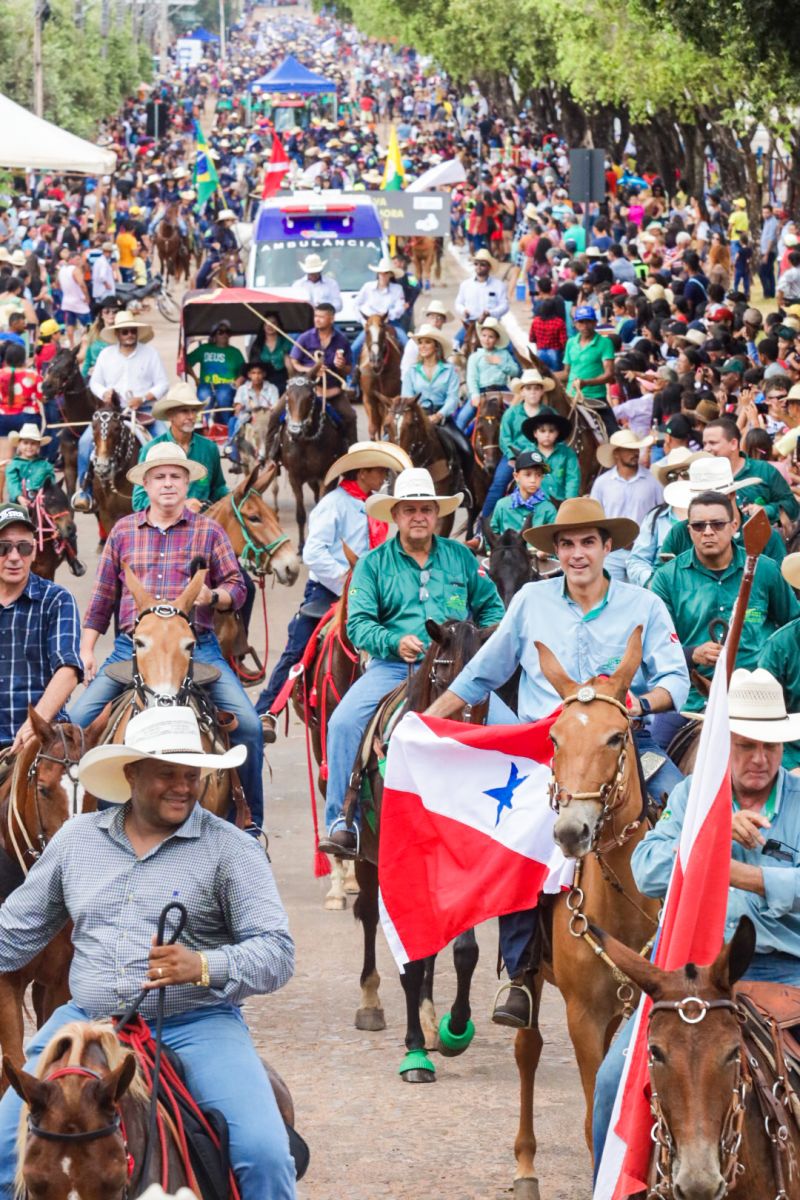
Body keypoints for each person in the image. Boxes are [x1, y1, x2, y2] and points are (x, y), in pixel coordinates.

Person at [0, 704, 296, 1200]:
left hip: (198, 1023)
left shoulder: (231, 850)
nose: (184, 785)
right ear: (131, 773)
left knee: (264, 1154)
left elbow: (278, 953)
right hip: (85, 1021)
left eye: (192, 773)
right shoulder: (76, 841)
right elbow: (13, 932)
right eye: (167, 774)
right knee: (4, 1146)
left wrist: (203, 965)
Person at [424, 496, 690, 1026]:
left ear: (606, 547)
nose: (576, 554)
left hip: (624, 741)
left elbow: (675, 681)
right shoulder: (529, 601)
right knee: (519, 834)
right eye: (566, 544)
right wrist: (429, 718)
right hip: (545, 749)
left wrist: (636, 704)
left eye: (587, 542)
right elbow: (482, 673)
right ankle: (520, 973)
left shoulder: (644, 605)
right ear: (555, 552)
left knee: (686, 811)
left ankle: (689, 950)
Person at [593, 668, 800, 1170]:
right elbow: (647, 868)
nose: (760, 758)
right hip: (693, 974)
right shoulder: (693, 798)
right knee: (611, 1084)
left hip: (785, 971)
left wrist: (744, 876)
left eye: (770, 746)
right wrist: (712, 836)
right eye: (747, 745)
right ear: (725, 742)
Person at [69, 442, 266, 833]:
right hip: (133, 648)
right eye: (160, 476)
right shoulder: (124, 531)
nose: (168, 483)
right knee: (77, 722)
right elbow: (102, 596)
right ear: (146, 483)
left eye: (176, 476)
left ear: (188, 483)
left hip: (196, 648)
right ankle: (82, 824)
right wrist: (88, 649)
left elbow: (237, 585)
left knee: (248, 725)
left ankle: (249, 822)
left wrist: (215, 596)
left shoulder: (208, 530)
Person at [319, 467, 505, 856]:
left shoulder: (461, 558)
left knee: (515, 727)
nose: (418, 516)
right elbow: (358, 624)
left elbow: (492, 609)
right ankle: (342, 818)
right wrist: (392, 640)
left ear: (436, 515)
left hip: (458, 671)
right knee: (343, 722)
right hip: (393, 668)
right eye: (410, 509)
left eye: (426, 509)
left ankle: (519, 815)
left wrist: (478, 644)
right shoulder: (373, 564)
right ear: (396, 515)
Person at [255, 441, 412, 741]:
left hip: (375, 589)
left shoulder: (376, 504)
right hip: (330, 589)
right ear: (363, 472)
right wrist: (347, 582)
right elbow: (314, 552)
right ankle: (268, 709)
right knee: (300, 642)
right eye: (380, 471)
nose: (384, 477)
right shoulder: (334, 503)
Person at [650, 488, 798, 736]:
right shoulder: (666, 578)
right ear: (689, 531)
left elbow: (793, 629)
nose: (707, 532)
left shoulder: (766, 570)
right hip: (693, 699)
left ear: (734, 526)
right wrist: (692, 653)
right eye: (698, 526)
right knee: (650, 764)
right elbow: (655, 646)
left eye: (717, 524)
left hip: (760, 700)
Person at [0, 503, 82, 754]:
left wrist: (34, 724)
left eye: (23, 547)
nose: (15, 557)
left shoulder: (57, 599)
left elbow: (68, 670)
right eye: (3, 548)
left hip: (43, 738)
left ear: (34, 551)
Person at [74, 311, 169, 512]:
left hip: (142, 410)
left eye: (132, 331)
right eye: (124, 331)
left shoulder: (150, 353)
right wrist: (104, 393)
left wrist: (143, 398)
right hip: (112, 411)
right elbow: (94, 382)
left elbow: (163, 384)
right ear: (117, 334)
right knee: (84, 443)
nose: (129, 334)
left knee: (165, 441)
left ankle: (168, 490)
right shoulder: (105, 355)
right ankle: (85, 490)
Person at [659, 456, 787, 565]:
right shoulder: (679, 533)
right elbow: (660, 579)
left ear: (731, 495)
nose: (707, 508)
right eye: (699, 502)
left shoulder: (765, 535)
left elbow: (781, 587)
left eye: (713, 502)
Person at [267, 303, 356, 447]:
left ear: (331, 319)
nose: (317, 319)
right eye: (316, 316)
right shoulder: (305, 338)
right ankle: (270, 455)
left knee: (350, 416)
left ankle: (351, 454)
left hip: (331, 389)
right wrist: (310, 370)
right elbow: (294, 361)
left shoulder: (341, 340)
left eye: (321, 317)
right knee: (275, 414)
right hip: (302, 389)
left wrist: (341, 365)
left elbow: (348, 369)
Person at [131, 381, 228, 512]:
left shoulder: (209, 448)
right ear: (170, 415)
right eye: (184, 411)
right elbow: (138, 501)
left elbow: (218, 488)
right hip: (164, 524)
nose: (191, 416)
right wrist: (181, 505)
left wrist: (237, 496)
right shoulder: (151, 450)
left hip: (202, 522)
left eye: (194, 411)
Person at [590, 430, 663, 580]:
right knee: (610, 594)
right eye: (629, 450)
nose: (635, 453)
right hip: (611, 551)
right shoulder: (602, 483)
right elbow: (594, 517)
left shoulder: (652, 481)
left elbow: (661, 514)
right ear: (616, 453)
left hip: (643, 551)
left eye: (636, 449)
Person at [483, 368, 556, 518]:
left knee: (556, 483)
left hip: (542, 455)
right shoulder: (512, 413)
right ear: (522, 392)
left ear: (542, 391)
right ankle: (483, 526)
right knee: (498, 484)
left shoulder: (549, 413)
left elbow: (557, 435)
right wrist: (512, 456)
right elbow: (505, 438)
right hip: (515, 455)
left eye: (537, 388)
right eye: (528, 388)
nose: (533, 392)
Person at [702, 415, 799, 524]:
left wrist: (766, 510)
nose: (706, 449)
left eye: (713, 443)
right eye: (704, 444)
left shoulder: (764, 470)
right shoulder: (702, 476)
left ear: (733, 444)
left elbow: (792, 507)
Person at [557, 305, 616, 432]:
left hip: (595, 398)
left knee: (614, 434)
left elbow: (609, 374)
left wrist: (586, 382)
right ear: (575, 324)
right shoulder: (571, 342)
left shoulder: (605, 343)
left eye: (588, 322)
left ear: (595, 323)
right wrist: (546, 376)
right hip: (571, 397)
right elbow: (566, 373)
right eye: (581, 322)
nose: (585, 325)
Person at [458, 317, 521, 432]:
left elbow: (515, 371)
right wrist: (475, 395)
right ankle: (460, 446)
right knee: (461, 419)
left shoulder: (504, 354)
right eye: (484, 335)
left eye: (491, 337)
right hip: (482, 391)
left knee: (515, 415)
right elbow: (472, 378)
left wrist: (500, 363)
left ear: (496, 339)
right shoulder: (475, 357)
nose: (486, 339)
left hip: (502, 391)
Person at [401, 323, 461, 422]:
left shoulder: (450, 370)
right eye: (420, 343)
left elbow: (453, 398)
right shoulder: (411, 371)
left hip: (442, 417)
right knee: (389, 437)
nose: (422, 346)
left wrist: (439, 415)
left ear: (436, 346)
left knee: (460, 438)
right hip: (416, 417)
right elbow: (407, 397)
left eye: (427, 342)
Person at [351, 257, 409, 360]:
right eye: (381, 273)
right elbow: (356, 304)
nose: (383, 275)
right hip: (371, 324)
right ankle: (351, 375)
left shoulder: (397, 289)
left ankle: (407, 372)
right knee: (354, 348)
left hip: (391, 324)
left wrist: (388, 315)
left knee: (407, 344)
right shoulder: (367, 287)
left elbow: (400, 308)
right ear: (378, 274)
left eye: (386, 273)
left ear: (390, 274)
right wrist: (363, 322)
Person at [186, 320, 246, 417]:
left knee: (223, 395)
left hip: (228, 385)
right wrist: (195, 378)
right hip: (206, 384)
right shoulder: (204, 349)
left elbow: (244, 371)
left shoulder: (235, 352)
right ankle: (205, 426)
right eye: (221, 332)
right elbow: (185, 362)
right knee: (204, 395)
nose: (224, 335)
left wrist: (238, 381)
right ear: (214, 335)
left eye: (227, 332)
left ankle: (227, 426)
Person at [489, 449, 557, 535]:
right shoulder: (502, 506)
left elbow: (554, 538)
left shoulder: (548, 509)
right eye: (528, 475)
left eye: (538, 475)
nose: (533, 480)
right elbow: (492, 535)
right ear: (516, 476)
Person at [226, 360, 281, 466]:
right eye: (253, 373)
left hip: (266, 416)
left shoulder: (271, 388)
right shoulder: (243, 389)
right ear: (249, 375)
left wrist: (269, 409)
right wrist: (238, 406)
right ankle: (234, 454)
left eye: (259, 373)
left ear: (264, 374)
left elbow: (275, 406)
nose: (257, 376)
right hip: (248, 416)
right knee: (236, 423)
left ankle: (277, 454)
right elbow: (237, 404)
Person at [523, 408, 581, 505]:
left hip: (562, 501)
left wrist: (569, 502)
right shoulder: (527, 454)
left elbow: (572, 479)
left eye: (551, 431)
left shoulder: (567, 453)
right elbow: (522, 480)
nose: (547, 435)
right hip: (534, 503)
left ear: (557, 433)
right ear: (535, 433)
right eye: (542, 431)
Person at [453, 248, 509, 347]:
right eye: (476, 264)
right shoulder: (466, 284)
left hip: (492, 324)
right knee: (455, 344)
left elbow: (504, 305)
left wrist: (490, 313)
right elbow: (458, 303)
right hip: (471, 323)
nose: (479, 267)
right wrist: (463, 311)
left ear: (489, 267)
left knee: (509, 349)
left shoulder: (499, 285)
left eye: (482, 264)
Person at [57, 250, 91, 349]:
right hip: (78, 302)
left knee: (70, 324)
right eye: (77, 259)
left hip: (67, 301)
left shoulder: (62, 269)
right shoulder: (75, 270)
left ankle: (72, 344)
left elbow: (58, 284)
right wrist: (87, 297)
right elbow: (82, 284)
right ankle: (89, 343)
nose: (80, 261)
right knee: (88, 325)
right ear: (71, 260)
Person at [90, 241, 118, 312]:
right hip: (104, 291)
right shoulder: (103, 263)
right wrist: (107, 284)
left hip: (99, 290)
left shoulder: (99, 261)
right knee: (106, 309)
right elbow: (102, 277)